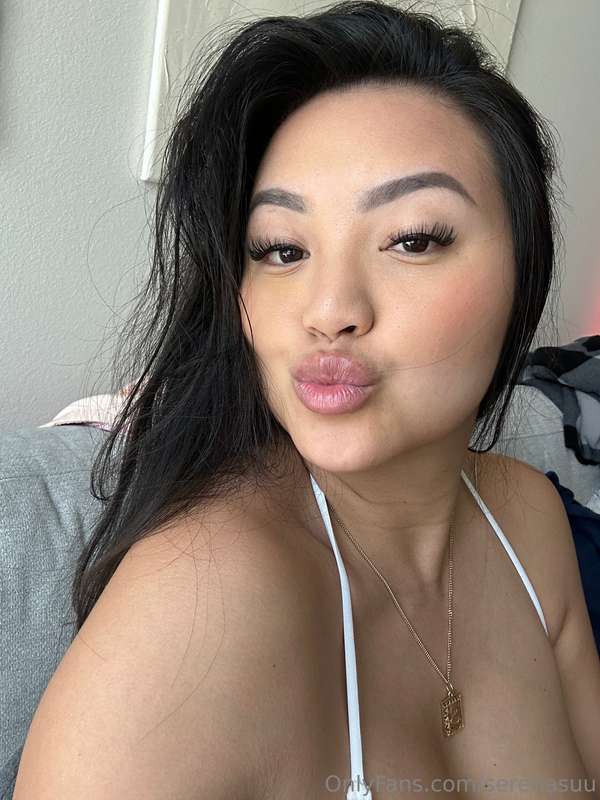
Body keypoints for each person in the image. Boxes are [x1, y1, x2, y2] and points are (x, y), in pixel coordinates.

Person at [13, 1, 600, 798]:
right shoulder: (202, 599)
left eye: (413, 239)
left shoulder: (529, 520)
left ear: (523, 264)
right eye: (281, 250)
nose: (327, 310)